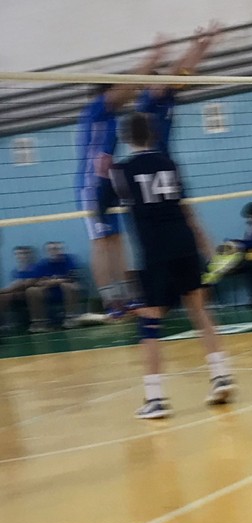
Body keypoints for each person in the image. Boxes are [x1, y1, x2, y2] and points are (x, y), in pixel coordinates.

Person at [110, 112, 234, 420]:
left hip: (154, 251)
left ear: (125, 138)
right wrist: (210, 252)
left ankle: (155, 398)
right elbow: (189, 214)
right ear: (152, 134)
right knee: (200, 311)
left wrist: (120, 281)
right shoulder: (170, 164)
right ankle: (221, 375)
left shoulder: (120, 171)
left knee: (150, 324)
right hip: (184, 244)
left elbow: (113, 214)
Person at [74, 45, 163, 318]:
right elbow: (126, 89)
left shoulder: (113, 117)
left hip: (109, 183)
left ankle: (127, 296)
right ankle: (109, 300)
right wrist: (151, 61)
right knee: (101, 241)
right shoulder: (96, 109)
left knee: (117, 239)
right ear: (107, 92)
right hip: (91, 185)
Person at [136, 24, 222, 154]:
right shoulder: (145, 101)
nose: (158, 85)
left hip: (163, 155)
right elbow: (171, 75)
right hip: (149, 156)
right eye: (153, 83)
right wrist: (193, 46)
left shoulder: (168, 93)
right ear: (145, 86)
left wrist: (202, 46)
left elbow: (186, 69)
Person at [28, 242, 81, 331]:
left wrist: (55, 281)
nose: (55, 251)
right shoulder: (42, 264)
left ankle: (71, 318)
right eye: (51, 249)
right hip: (49, 291)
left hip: (66, 290)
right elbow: (36, 281)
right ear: (47, 252)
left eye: (57, 249)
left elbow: (73, 277)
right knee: (31, 290)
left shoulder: (69, 260)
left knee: (68, 286)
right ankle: (39, 322)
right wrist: (50, 282)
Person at [0, 246, 39, 332]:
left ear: (29, 255)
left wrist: (5, 290)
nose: (22, 256)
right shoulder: (15, 271)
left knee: (5, 296)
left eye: (24, 253)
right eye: (18, 254)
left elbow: (27, 283)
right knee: (4, 296)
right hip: (16, 294)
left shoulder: (35, 268)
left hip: (31, 294)